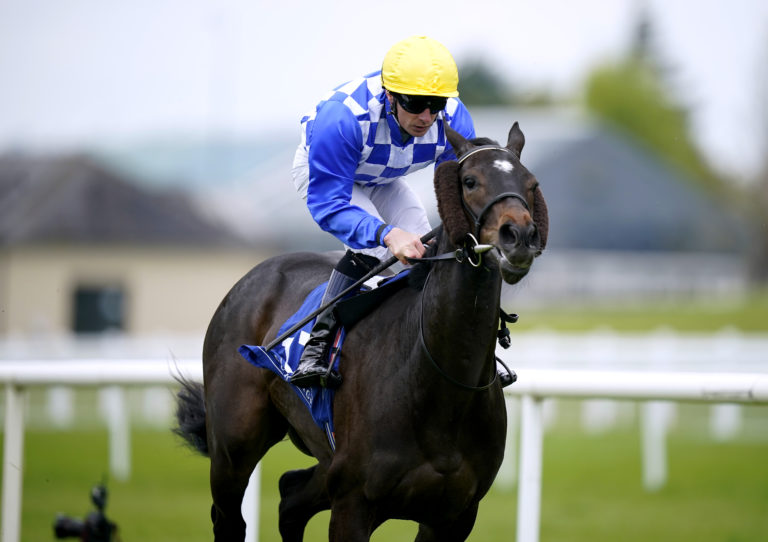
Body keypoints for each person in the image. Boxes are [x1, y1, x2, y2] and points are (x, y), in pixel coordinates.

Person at [289, 35, 512, 389]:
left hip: (384, 175)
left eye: (435, 104)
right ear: (389, 95)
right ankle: (318, 343)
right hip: (330, 177)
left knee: (425, 250)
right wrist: (387, 234)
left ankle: (466, 349)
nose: (426, 116)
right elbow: (329, 205)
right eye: (415, 103)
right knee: (381, 248)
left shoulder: (453, 117)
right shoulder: (343, 118)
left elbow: (457, 188)